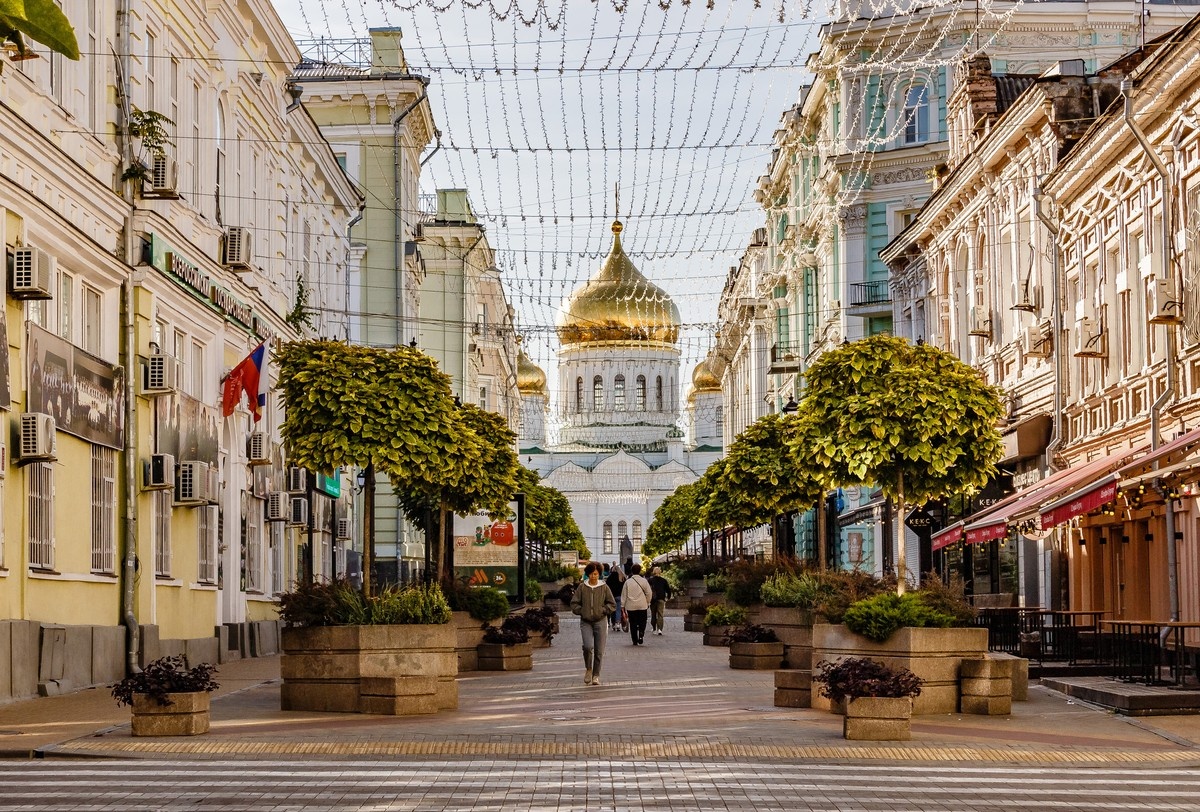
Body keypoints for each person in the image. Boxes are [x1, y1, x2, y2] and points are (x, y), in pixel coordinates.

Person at [570, 561, 616, 685]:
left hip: (600, 621)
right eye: (591, 574)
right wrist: (582, 611)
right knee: (587, 646)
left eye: (595, 574)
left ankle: (596, 675)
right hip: (586, 622)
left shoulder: (604, 587)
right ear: (587, 574)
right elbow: (574, 603)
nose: (593, 576)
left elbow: (612, 604)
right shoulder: (582, 587)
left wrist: (603, 611)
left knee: (599, 650)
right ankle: (588, 669)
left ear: (599, 574)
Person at [622, 563, 653, 646]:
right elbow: (649, 593)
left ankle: (634, 640)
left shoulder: (628, 582)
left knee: (633, 623)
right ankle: (641, 632)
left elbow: (624, 594)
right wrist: (647, 602)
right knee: (643, 620)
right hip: (642, 605)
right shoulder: (644, 581)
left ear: (632, 571)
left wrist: (622, 606)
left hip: (631, 606)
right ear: (640, 571)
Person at [647, 566, 673, 635]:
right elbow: (668, 590)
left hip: (653, 599)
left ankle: (654, 628)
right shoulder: (663, 580)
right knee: (660, 614)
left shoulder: (650, 580)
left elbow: (647, 589)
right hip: (661, 598)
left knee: (653, 614)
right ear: (660, 572)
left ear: (653, 572)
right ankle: (660, 629)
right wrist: (668, 597)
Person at [605, 563, 627, 632]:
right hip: (619, 596)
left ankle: (613, 623)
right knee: (618, 610)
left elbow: (606, 587)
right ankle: (618, 623)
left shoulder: (610, 577)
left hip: (611, 596)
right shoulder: (622, 577)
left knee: (612, 610)